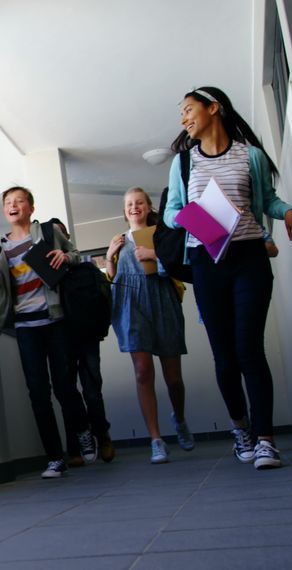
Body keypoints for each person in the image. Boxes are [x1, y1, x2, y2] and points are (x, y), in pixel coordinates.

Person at [163, 86, 292, 470]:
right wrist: (206, 223)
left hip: (249, 258)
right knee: (225, 356)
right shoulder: (183, 163)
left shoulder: (252, 157)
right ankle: (240, 428)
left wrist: (290, 211)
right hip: (206, 259)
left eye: (188, 110)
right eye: (181, 114)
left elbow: (266, 201)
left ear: (214, 108)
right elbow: (171, 213)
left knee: (249, 348)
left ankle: (266, 440)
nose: (184, 119)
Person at [0, 186, 98, 478]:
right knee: (38, 393)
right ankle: (54, 458)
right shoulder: (1, 249)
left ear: (30, 208)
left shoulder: (47, 234)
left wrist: (65, 255)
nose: (13, 206)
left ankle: (83, 430)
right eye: (8, 203)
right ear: (4, 211)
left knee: (64, 387)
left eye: (19, 201)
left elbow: (75, 256)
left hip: (56, 320)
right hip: (25, 327)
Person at [106, 188, 194, 464]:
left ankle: (179, 419)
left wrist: (154, 255)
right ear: (124, 210)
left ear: (148, 206)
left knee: (173, 378)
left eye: (139, 203)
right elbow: (112, 279)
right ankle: (156, 439)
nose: (134, 207)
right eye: (129, 204)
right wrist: (109, 256)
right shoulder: (118, 241)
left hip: (162, 300)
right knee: (143, 372)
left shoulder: (162, 234)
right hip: (130, 305)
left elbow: (180, 267)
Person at [45, 217, 115, 465]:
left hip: (86, 336)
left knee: (92, 390)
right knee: (66, 391)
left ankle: (102, 436)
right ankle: (75, 445)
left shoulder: (85, 267)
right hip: (60, 335)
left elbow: (102, 298)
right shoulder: (46, 271)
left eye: (60, 234)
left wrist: (100, 329)